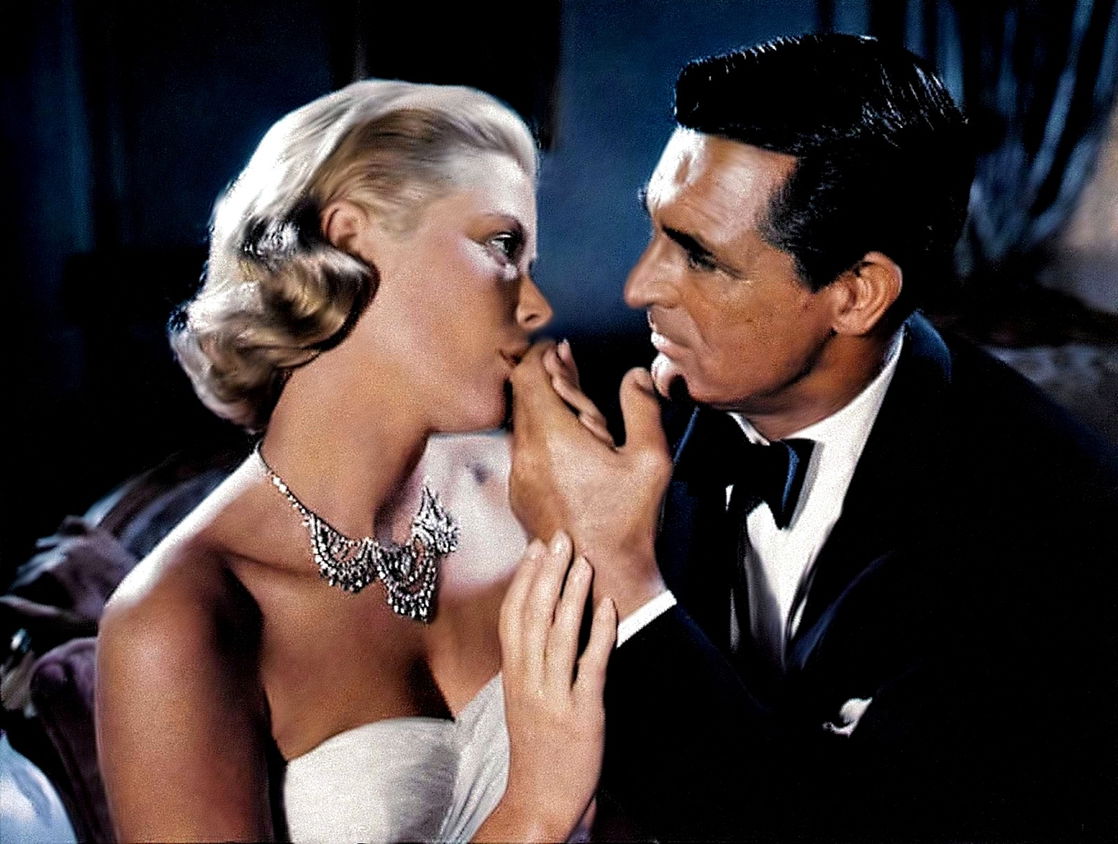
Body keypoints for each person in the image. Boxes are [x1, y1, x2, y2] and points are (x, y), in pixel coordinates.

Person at [508, 33, 1118, 842]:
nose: (638, 287)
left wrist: (619, 574)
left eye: (700, 258)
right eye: (654, 229)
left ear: (858, 295)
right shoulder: (616, 417)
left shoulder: (1049, 521)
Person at [95, 79, 616, 843]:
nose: (537, 305)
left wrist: (619, 539)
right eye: (503, 247)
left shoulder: (534, 493)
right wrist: (535, 808)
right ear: (349, 241)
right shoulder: (182, 614)